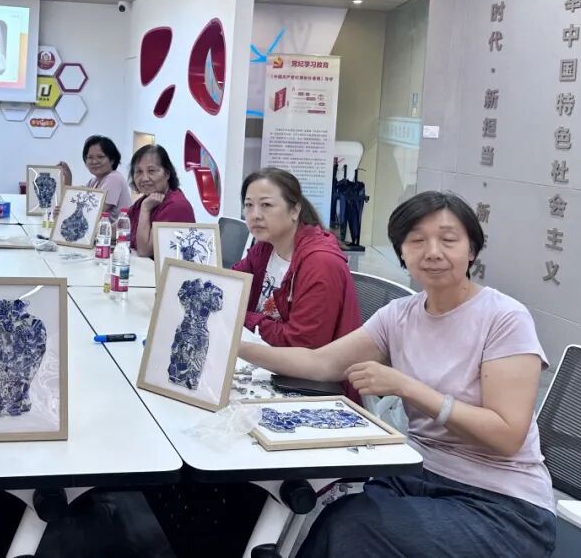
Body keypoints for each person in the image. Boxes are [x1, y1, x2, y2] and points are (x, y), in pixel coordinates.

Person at [237, 191, 555, 558]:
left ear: (471, 250)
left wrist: (407, 387)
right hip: (415, 477)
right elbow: (319, 363)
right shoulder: (399, 315)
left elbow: (507, 435)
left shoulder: (504, 318)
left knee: (354, 532)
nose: (432, 252)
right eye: (416, 241)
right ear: (401, 252)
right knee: (335, 516)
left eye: (448, 240)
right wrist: (236, 346)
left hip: (502, 504)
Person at [232, 167, 360, 348]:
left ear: (294, 211)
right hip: (263, 350)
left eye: (266, 205)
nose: (255, 215)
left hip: (304, 364)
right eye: (248, 205)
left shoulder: (321, 263)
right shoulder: (266, 246)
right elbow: (231, 285)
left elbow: (302, 343)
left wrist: (242, 318)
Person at [129, 144, 195, 257]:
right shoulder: (148, 199)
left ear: (167, 174)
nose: (144, 178)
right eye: (139, 172)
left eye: (151, 171)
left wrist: (145, 209)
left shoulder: (176, 206)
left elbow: (144, 251)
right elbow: (121, 227)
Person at [58, 134, 131, 220]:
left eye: (100, 157)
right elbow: (72, 201)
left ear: (112, 160)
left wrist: (64, 211)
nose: (94, 161)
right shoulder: (93, 182)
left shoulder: (114, 178)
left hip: (116, 229)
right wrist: (68, 178)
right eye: (90, 157)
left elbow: (91, 212)